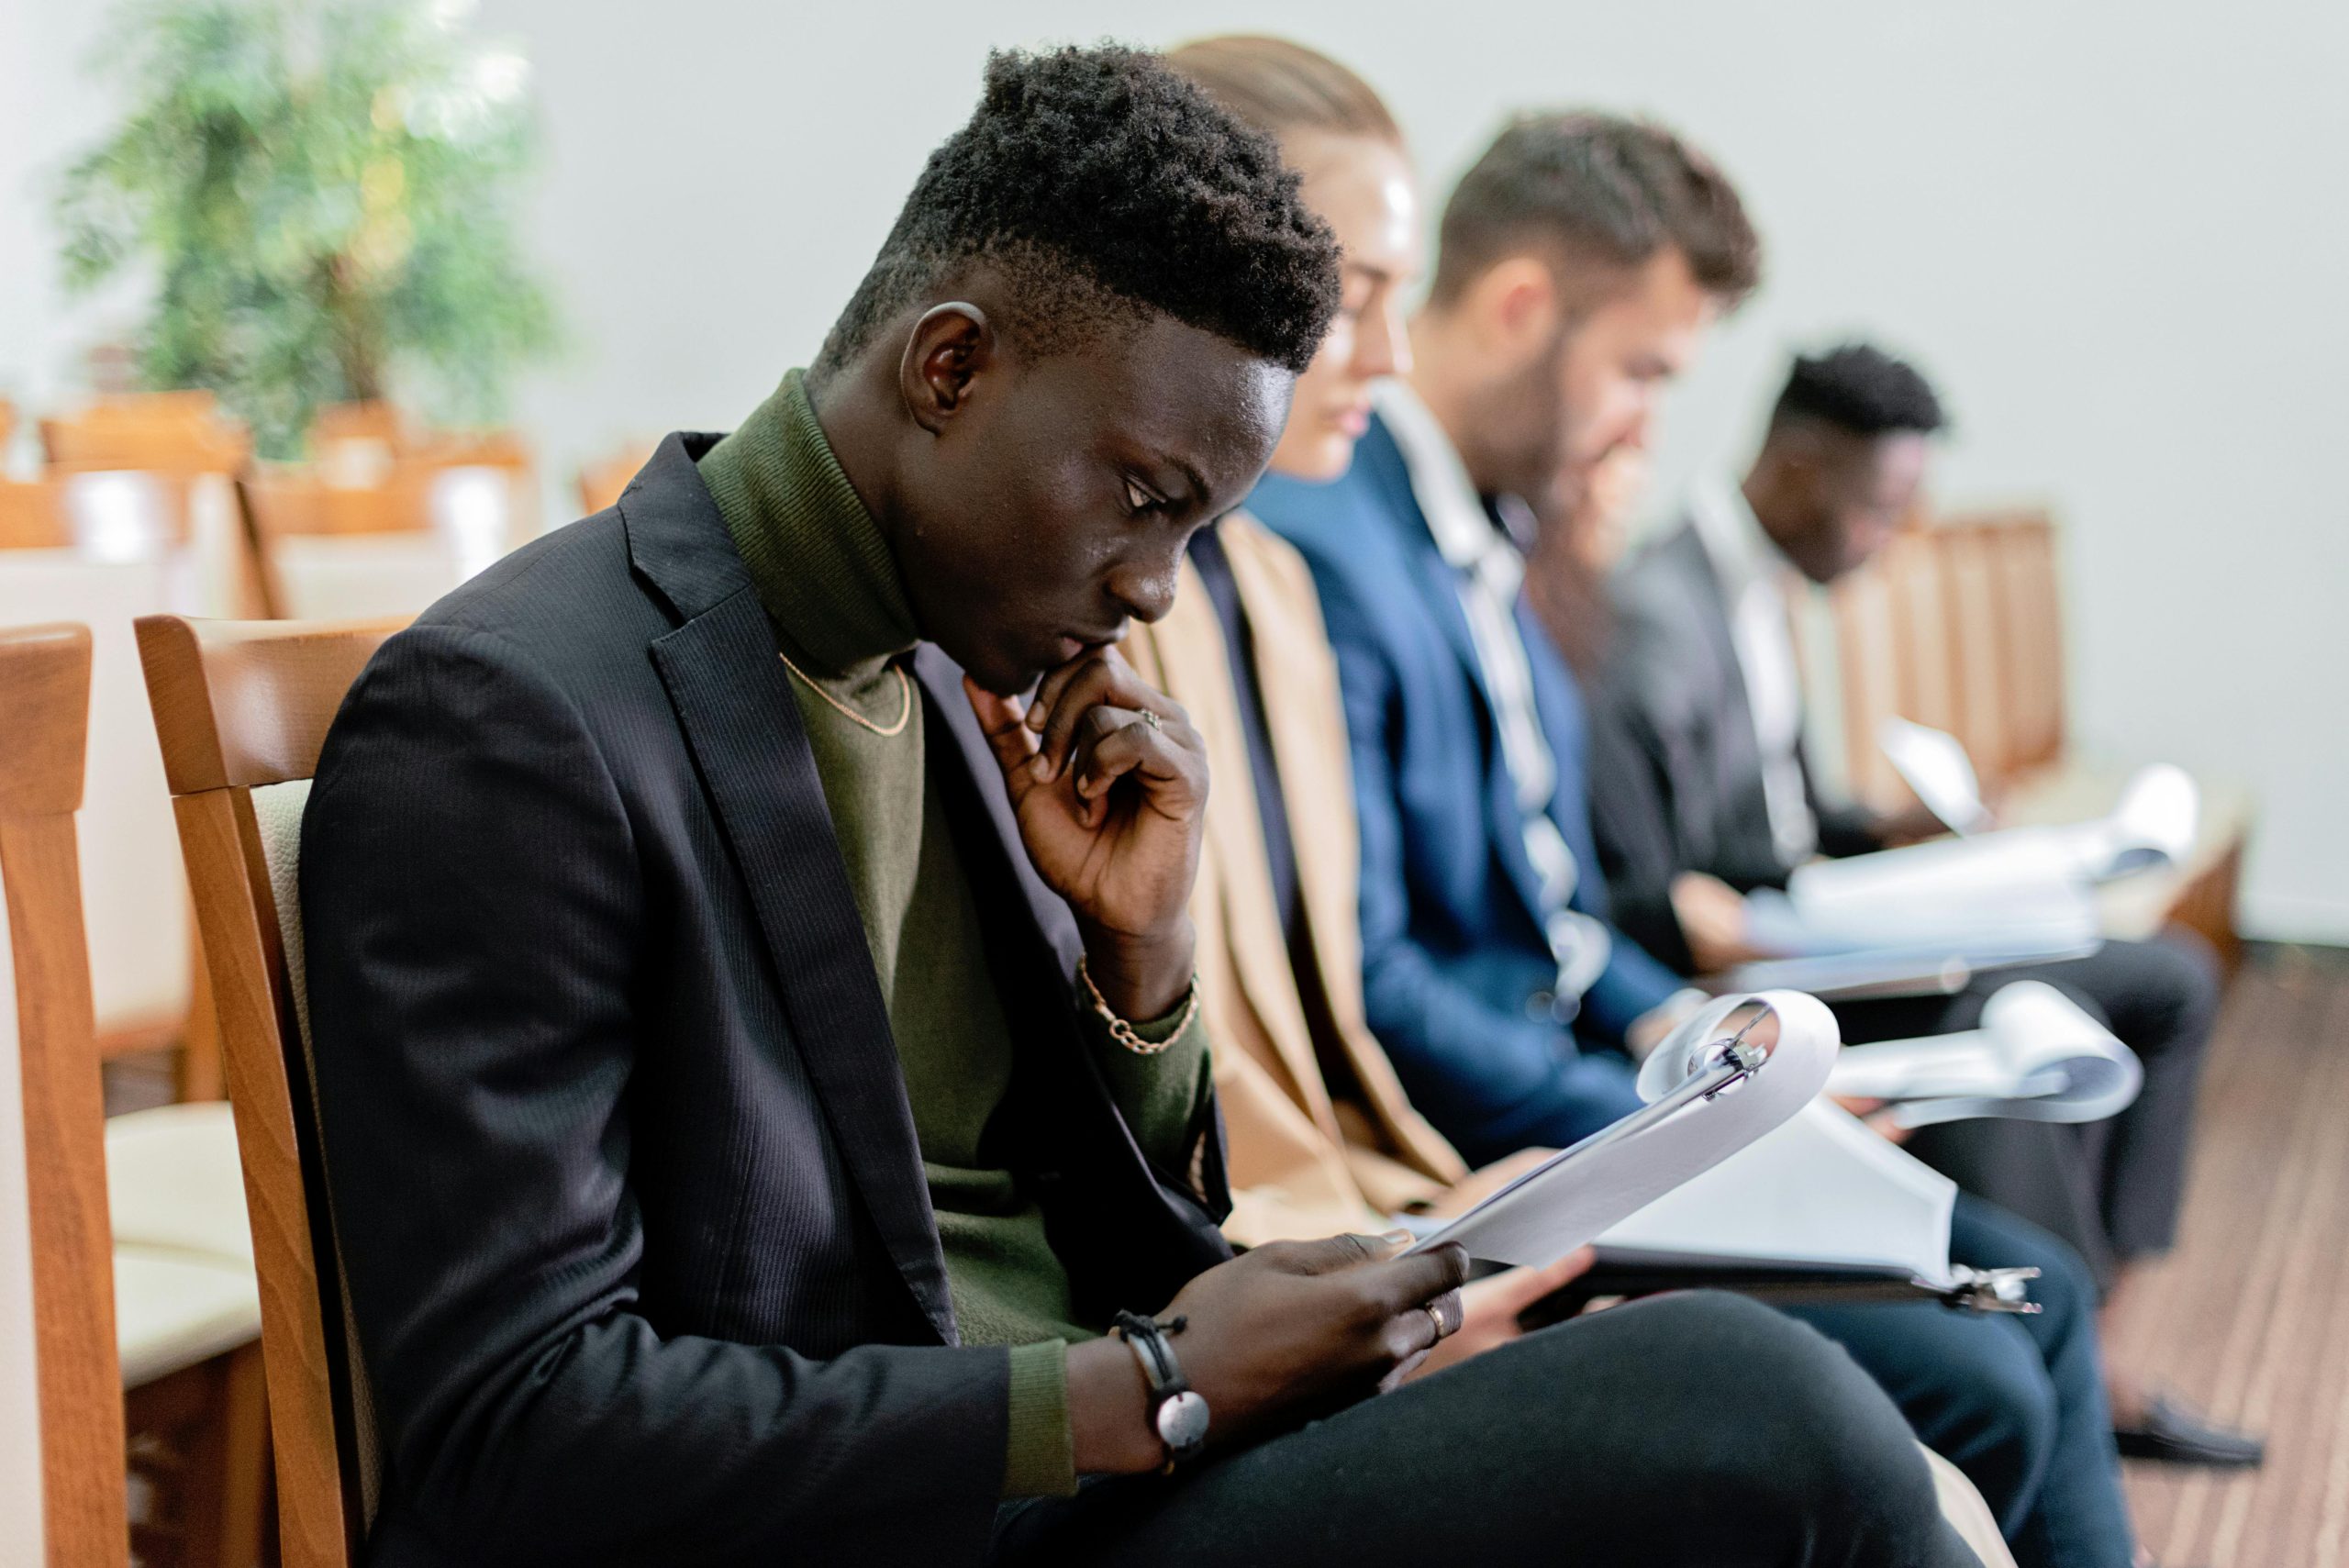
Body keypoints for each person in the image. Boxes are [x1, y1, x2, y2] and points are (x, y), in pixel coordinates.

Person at [296, 45, 1975, 1568]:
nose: (1164, 593)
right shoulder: (511, 715)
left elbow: (1105, 1224)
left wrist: (1145, 974)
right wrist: (1153, 1385)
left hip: (1086, 1469)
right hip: (899, 1520)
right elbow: (512, 1431)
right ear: (948, 366)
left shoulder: (954, 652)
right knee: (1766, 1409)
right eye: (1150, 499)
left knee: (1798, 1421)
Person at [1146, 39, 2011, 1565]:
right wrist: (1572, 1167)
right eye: (1350, 297)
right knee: (1887, 1387)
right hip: (1320, 1244)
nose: (1392, 349)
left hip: (1405, 1188)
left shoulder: (1283, 583)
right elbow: (1357, 997)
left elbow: (1451, 945)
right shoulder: (1296, 565)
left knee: (1972, 1295)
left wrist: (1688, 1076)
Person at [1586, 341, 2259, 1469]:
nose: (1890, 540)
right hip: (1753, 976)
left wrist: (1896, 835)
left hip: (1820, 919)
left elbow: (1775, 816)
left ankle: (2103, 1325)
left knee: (2164, 977)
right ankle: (2076, 1350)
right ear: (1799, 470)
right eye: (1880, 510)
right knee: (2004, 1004)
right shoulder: (1662, 612)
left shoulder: (1755, 585)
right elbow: (1656, 890)